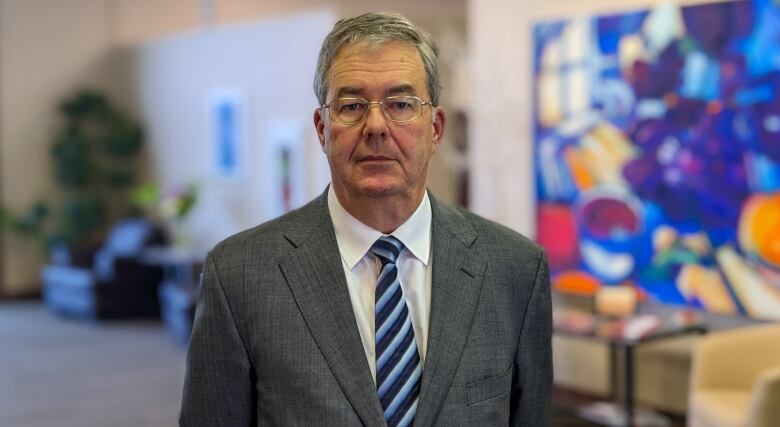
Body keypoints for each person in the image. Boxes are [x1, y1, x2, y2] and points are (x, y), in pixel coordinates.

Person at [179, 12, 551, 427]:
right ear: (322, 129)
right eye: (352, 106)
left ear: (436, 128)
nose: (376, 126)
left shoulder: (515, 269)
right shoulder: (239, 276)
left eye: (401, 104)